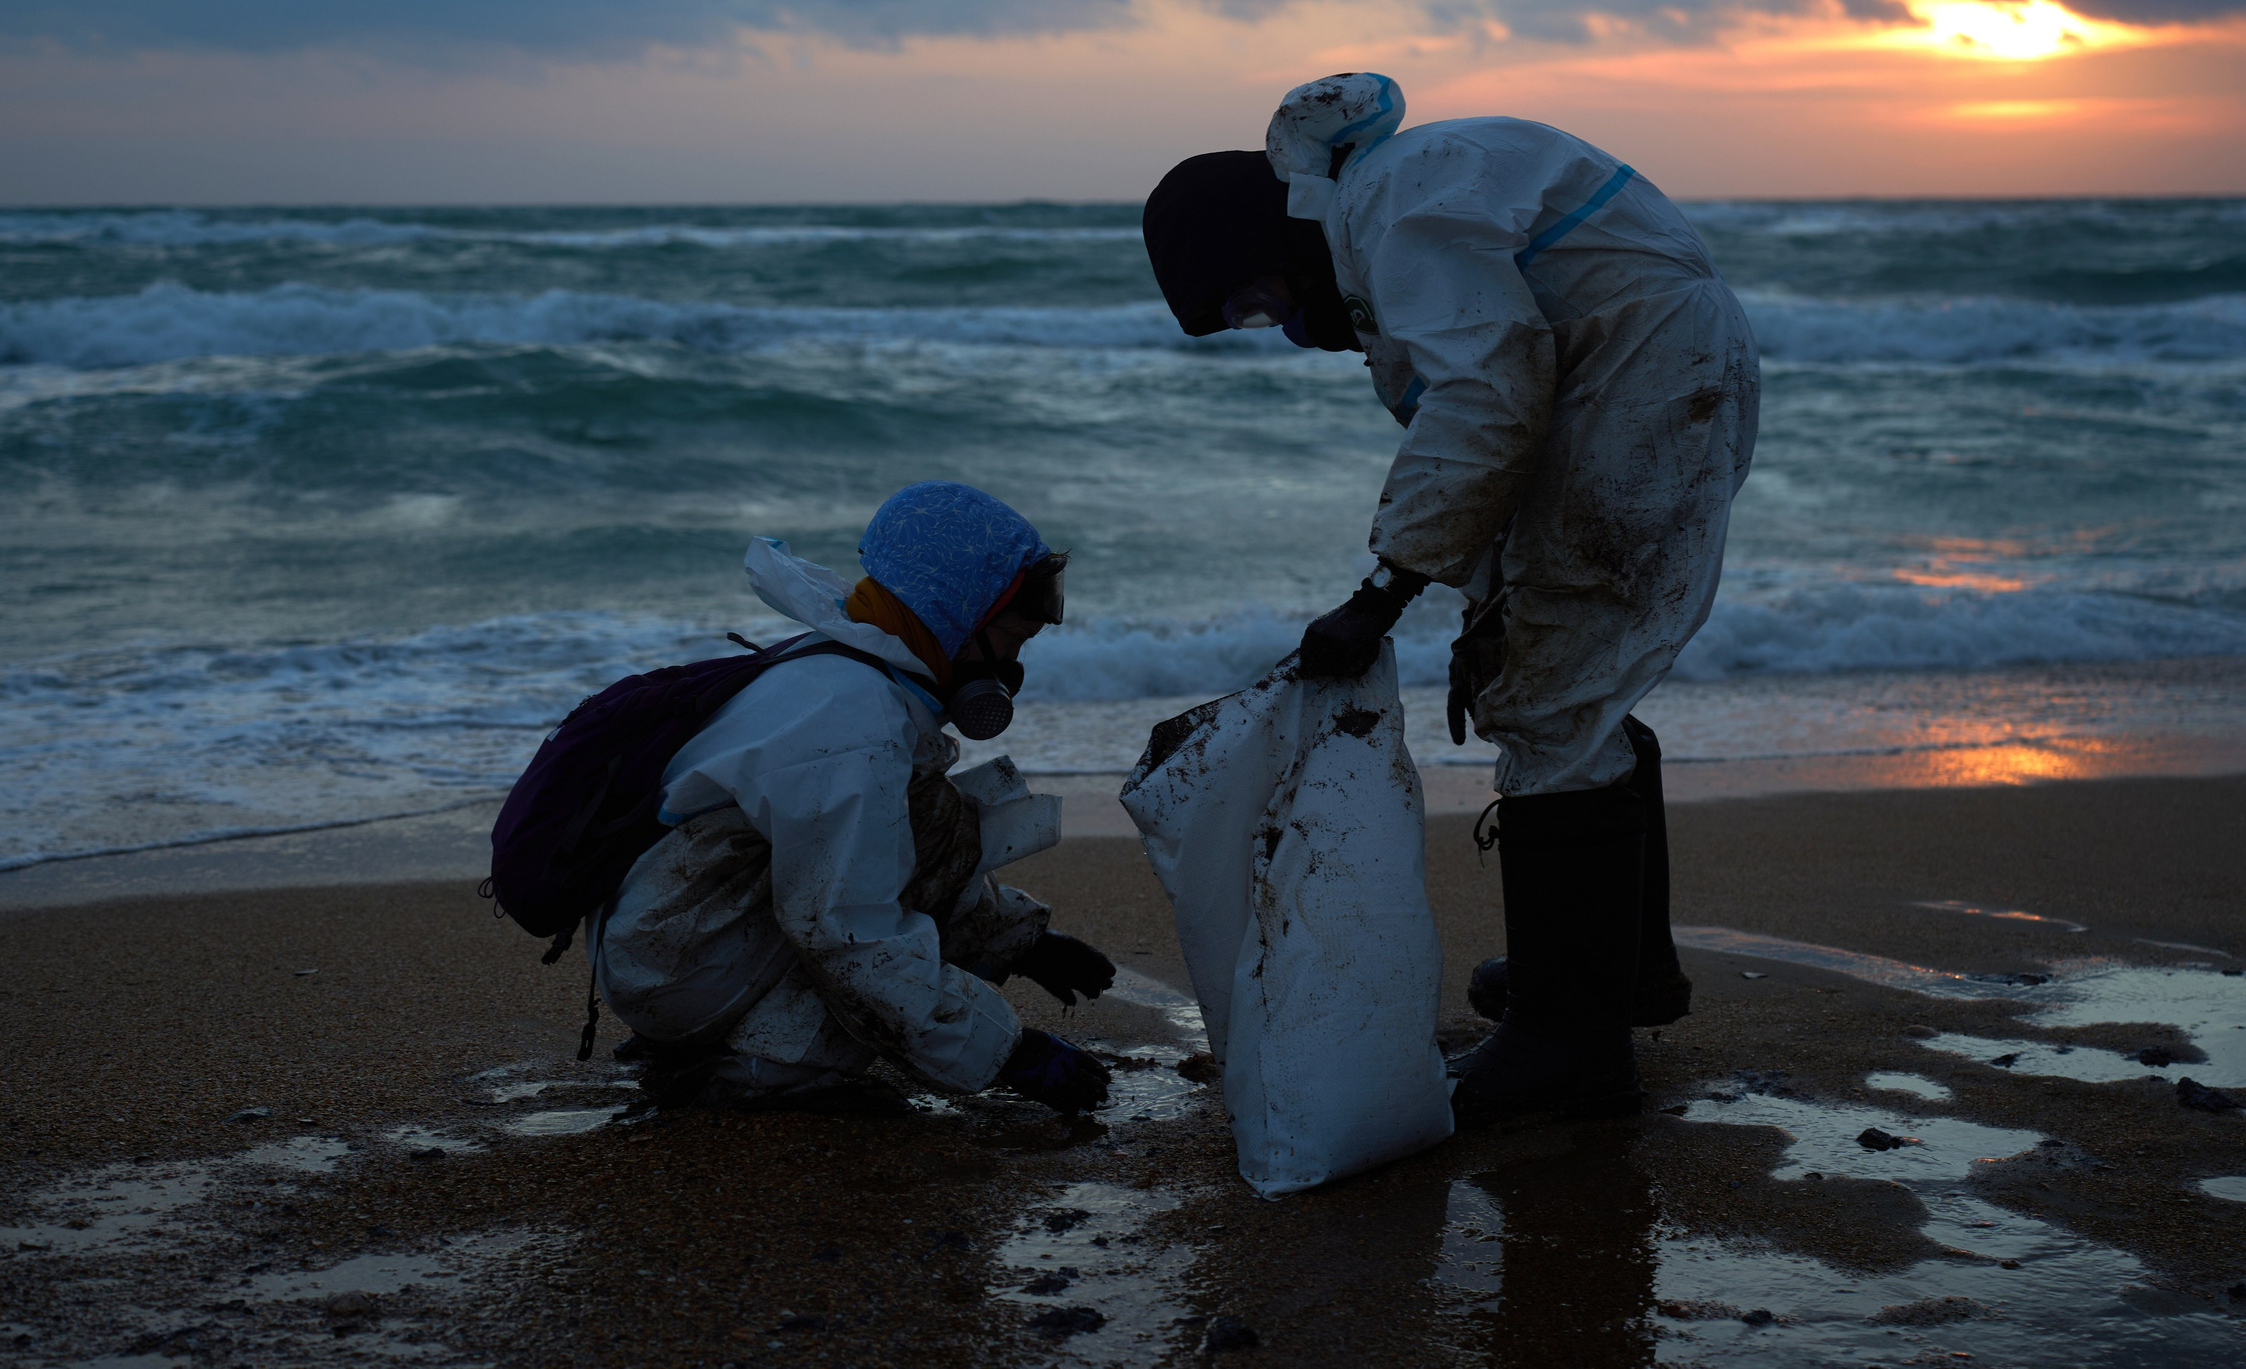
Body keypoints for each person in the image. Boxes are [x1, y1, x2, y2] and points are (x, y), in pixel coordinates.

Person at [1141, 75, 1758, 1122]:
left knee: (1553, 691)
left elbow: (1486, 394)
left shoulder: (1395, 206)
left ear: (1276, 236)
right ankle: (1613, 979)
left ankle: (1570, 1047)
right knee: (1563, 673)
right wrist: (1463, 592)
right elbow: (1494, 412)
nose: (1284, 330)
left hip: (1642, 376)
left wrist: (1382, 592)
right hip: (1635, 368)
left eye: (1259, 302)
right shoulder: (1393, 201)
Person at [592, 481, 1118, 1115]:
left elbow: (912, 847)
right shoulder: (854, 722)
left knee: (930, 813)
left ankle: (713, 1037)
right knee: (852, 988)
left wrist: (1017, 940)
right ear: (952, 615)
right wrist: (1007, 1052)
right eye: (1011, 639)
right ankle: (748, 1070)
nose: (1010, 668)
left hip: (681, 932)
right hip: (682, 966)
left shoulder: (854, 664)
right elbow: (849, 934)